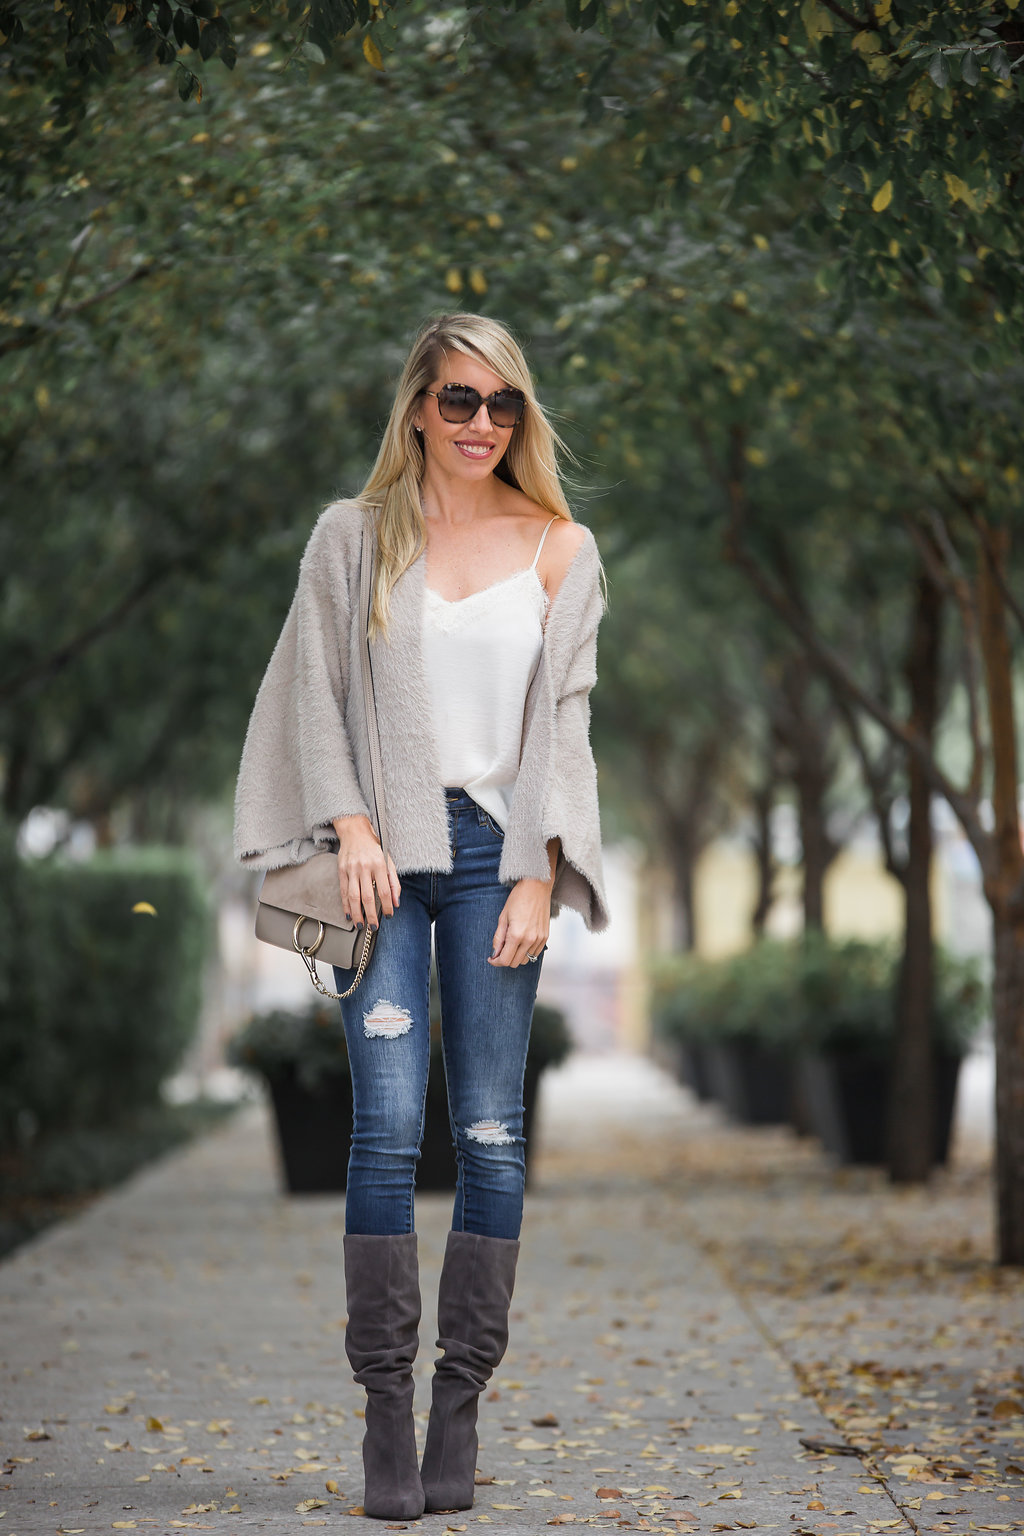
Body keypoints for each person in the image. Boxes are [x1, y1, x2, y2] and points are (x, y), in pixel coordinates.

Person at [233, 313, 608, 1521]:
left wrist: (545, 874)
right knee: (388, 1131)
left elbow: (565, 732)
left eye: (501, 403)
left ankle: (461, 1405)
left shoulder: (561, 549)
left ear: (522, 416)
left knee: (491, 1133)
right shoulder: (351, 538)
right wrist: (346, 827)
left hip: (499, 859)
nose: (479, 423)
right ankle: (384, 1412)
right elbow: (310, 698)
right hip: (384, 857)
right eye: (457, 399)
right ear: (415, 407)